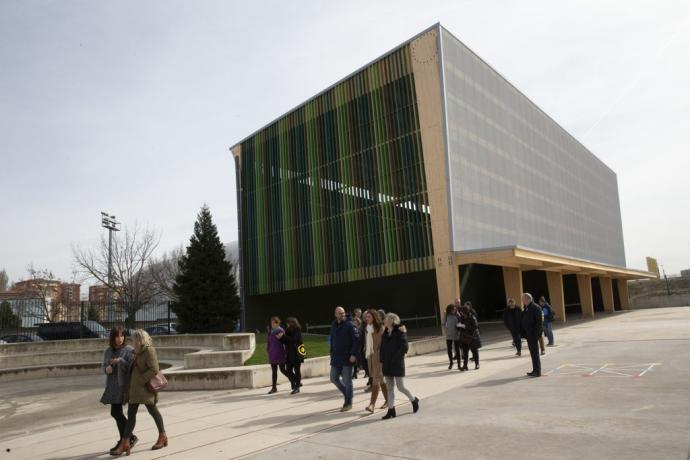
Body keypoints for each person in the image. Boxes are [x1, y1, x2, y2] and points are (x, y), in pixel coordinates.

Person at [111, 329, 167, 456]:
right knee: (131, 416)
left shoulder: (149, 350)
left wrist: (141, 380)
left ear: (140, 339)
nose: (133, 341)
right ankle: (125, 443)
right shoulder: (135, 352)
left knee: (153, 411)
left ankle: (162, 436)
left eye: (134, 339)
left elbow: (154, 369)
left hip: (145, 388)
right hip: (135, 389)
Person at [100, 326, 138, 455]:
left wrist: (120, 361)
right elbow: (103, 366)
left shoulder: (129, 350)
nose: (120, 339)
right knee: (116, 413)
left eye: (122, 336)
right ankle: (127, 438)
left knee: (115, 412)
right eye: (117, 336)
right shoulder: (108, 351)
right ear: (113, 337)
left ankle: (127, 438)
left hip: (122, 386)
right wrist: (107, 369)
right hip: (111, 386)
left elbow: (131, 367)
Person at [379, 313, 419, 420]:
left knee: (401, 387)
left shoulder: (400, 332)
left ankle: (413, 399)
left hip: (396, 363)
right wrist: (382, 359)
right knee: (389, 388)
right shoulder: (385, 333)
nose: (384, 321)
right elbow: (382, 347)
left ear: (392, 321)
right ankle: (391, 410)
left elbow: (404, 347)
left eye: (386, 319)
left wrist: (395, 358)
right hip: (387, 364)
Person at [329, 306, 359, 411]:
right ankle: (348, 394)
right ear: (335, 314)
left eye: (343, 313)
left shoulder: (350, 325)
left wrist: (353, 354)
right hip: (336, 357)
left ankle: (348, 402)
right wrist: (331, 353)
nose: (341, 315)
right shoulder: (333, 325)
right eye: (339, 313)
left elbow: (356, 341)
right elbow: (332, 340)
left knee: (347, 380)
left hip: (347, 357)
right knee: (333, 378)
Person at [363, 309, 389, 413]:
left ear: (374, 317)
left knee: (375, 380)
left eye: (369, 317)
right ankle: (388, 400)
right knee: (381, 380)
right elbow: (368, 343)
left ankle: (371, 405)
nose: (366, 318)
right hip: (371, 358)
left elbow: (384, 343)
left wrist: (379, 352)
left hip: (379, 359)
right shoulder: (367, 329)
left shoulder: (380, 328)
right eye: (366, 317)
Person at [267, 316, 294, 394]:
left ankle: (293, 381)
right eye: (271, 322)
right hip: (272, 354)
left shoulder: (281, 330)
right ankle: (274, 388)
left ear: (277, 323)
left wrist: (285, 352)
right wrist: (268, 350)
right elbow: (268, 342)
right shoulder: (270, 332)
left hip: (280, 353)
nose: (271, 324)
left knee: (283, 370)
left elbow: (285, 342)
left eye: (273, 323)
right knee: (274, 372)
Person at [280, 317, 304, 394]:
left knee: (297, 370)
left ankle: (297, 387)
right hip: (289, 353)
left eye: (288, 323)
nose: (287, 324)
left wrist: (284, 336)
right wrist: (280, 338)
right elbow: (286, 341)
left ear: (292, 323)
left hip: (297, 353)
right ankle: (298, 382)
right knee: (288, 370)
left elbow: (294, 340)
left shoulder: (297, 329)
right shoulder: (287, 330)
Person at [521, 293, 543, 377]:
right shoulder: (527, 308)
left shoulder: (535, 308)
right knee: (533, 353)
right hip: (529, 334)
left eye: (523, 299)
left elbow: (539, 322)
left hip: (533, 334)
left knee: (535, 353)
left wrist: (536, 334)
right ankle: (535, 370)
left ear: (528, 299)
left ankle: (537, 371)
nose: (522, 301)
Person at [457, 305, 481, 370]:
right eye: (461, 312)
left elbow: (475, 327)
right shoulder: (462, 318)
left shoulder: (472, 317)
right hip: (464, 337)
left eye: (462, 312)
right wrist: (459, 326)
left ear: (466, 311)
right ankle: (465, 365)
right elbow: (459, 327)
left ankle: (477, 364)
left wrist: (465, 326)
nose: (461, 313)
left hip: (471, 337)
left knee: (474, 351)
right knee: (465, 352)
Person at [443, 304, 461, 369]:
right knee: (449, 350)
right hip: (449, 335)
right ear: (450, 310)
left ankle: (459, 364)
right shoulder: (446, 314)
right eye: (453, 309)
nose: (454, 310)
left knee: (457, 350)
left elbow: (461, 320)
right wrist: (445, 330)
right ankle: (451, 363)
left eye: (455, 309)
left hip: (456, 334)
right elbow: (443, 323)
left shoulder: (457, 314)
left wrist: (457, 313)